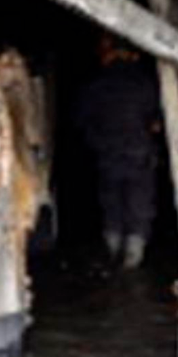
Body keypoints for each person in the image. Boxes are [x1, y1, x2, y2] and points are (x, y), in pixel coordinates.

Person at [74, 35, 160, 270]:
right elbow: (156, 120)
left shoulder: (95, 84)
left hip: (106, 153)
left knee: (112, 202)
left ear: (109, 52)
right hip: (139, 151)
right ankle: (134, 253)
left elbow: (82, 121)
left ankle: (113, 248)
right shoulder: (145, 82)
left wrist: (95, 142)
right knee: (139, 201)